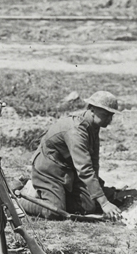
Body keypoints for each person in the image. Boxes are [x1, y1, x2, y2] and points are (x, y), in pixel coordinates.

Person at [17, 91, 124, 221]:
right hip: (49, 170)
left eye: (111, 115)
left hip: (68, 170)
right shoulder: (76, 130)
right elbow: (84, 168)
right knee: (54, 211)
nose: (109, 119)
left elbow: (93, 162)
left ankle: (54, 194)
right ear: (91, 109)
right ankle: (21, 198)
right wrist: (104, 202)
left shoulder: (93, 125)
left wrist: (97, 193)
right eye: (105, 114)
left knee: (88, 206)